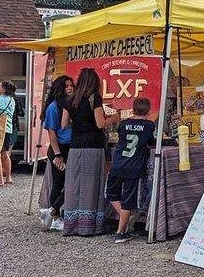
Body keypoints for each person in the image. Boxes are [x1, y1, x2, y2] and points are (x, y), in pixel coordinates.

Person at [61, 67, 118, 237]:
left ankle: (71, 224)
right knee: (91, 185)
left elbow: (64, 124)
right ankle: (89, 226)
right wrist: (115, 118)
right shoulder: (95, 97)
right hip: (93, 146)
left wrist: (78, 123)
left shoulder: (70, 99)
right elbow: (100, 123)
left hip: (75, 146)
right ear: (94, 82)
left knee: (74, 184)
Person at [106, 97, 156, 244]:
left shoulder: (123, 124)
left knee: (110, 194)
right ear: (148, 111)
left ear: (133, 109)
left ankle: (123, 218)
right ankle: (120, 232)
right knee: (128, 200)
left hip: (118, 164)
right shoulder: (148, 125)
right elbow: (152, 142)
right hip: (134, 168)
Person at [41, 75, 75, 230]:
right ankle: (55, 216)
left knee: (69, 182)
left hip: (70, 147)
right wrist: (57, 155)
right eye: (66, 86)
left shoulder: (71, 105)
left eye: (71, 85)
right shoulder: (54, 107)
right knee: (59, 182)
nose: (70, 88)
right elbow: (52, 132)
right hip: (59, 148)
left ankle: (52, 211)